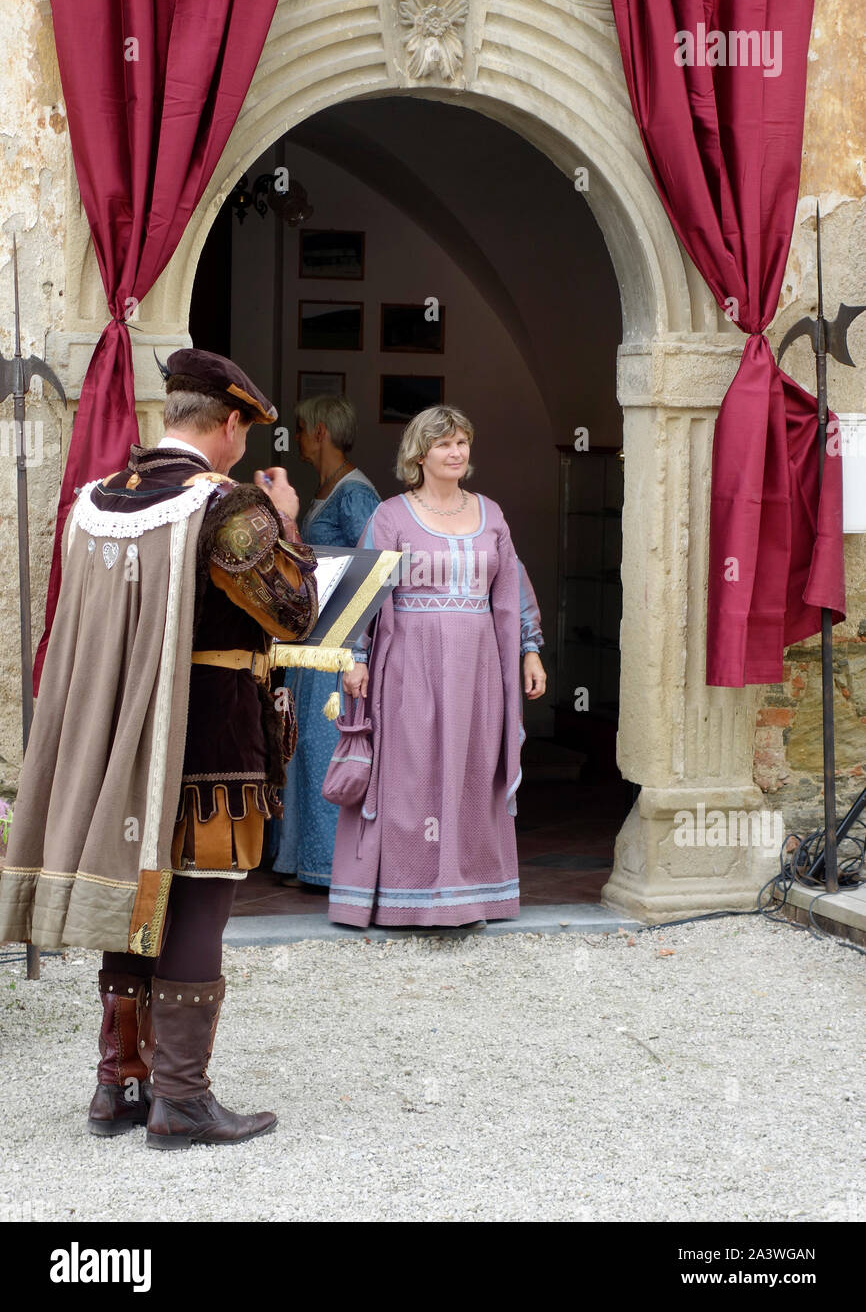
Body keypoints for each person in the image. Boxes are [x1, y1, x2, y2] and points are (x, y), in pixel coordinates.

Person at [0, 349, 318, 1149]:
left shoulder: (96, 500)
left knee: (137, 894)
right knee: (200, 900)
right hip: (210, 735)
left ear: (170, 412)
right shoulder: (226, 505)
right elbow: (294, 613)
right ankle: (182, 1099)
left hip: (118, 735)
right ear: (233, 423)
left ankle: (119, 1085)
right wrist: (285, 519)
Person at [328, 405, 546, 930]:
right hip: (409, 667)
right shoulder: (391, 516)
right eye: (444, 444)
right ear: (419, 453)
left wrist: (530, 649)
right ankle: (406, 895)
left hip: (479, 671)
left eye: (463, 443)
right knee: (410, 773)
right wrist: (353, 657)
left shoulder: (491, 515)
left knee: (473, 769)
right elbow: (361, 594)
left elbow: (512, 587)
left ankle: (470, 892)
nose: (456, 453)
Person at [271, 395, 379, 888]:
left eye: (300, 430)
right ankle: (303, 861)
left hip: (337, 647)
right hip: (315, 646)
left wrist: (356, 647)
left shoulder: (355, 495)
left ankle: (330, 868)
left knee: (323, 748)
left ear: (319, 432)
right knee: (305, 747)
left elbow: (374, 570)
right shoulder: (327, 490)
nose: (296, 440)